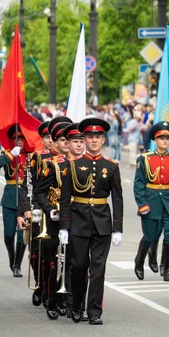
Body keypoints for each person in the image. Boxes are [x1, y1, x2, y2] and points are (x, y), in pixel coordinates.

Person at [59, 117, 124, 325]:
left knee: (98, 268)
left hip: (102, 222)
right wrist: (64, 226)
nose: (94, 141)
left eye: (97, 137)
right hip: (78, 220)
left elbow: (117, 198)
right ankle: (77, 304)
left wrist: (118, 228)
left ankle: (94, 311)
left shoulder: (111, 166)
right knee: (79, 266)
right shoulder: (74, 164)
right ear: (85, 139)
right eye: (90, 137)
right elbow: (65, 196)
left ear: (103, 140)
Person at [133, 122, 169, 282]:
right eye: (161, 138)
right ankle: (139, 261)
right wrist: (142, 204)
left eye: (167, 138)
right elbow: (139, 184)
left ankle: (168, 270)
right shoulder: (144, 158)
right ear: (155, 139)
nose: (165, 141)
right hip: (151, 200)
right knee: (150, 236)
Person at [33, 122, 70, 320]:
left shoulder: (78, 162)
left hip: (75, 217)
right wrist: (39, 210)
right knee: (50, 260)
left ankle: (68, 299)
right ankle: (49, 293)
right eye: (63, 139)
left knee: (73, 261)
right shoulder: (45, 161)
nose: (67, 143)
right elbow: (34, 188)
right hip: (51, 217)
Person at [0, 124, 29, 277]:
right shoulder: (7, 154)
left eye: (21, 138)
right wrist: (10, 155)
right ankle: (12, 258)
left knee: (22, 235)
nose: (19, 141)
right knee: (8, 235)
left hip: (24, 198)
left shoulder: (30, 155)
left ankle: (17, 265)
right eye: (16, 138)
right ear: (12, 140)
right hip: (9, 198)